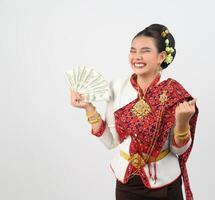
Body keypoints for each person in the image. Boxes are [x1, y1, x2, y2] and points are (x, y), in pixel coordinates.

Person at [70, 24, 199, 200]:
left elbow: (178, 150)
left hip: (165, 181)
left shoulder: (173, 92)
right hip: (126, 181)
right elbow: (111, 141)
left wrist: (183, 123)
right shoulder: (117, 87)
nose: (137, 57)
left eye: (145, 51)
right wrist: (89, 108)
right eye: (133, 51)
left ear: (161, 56)